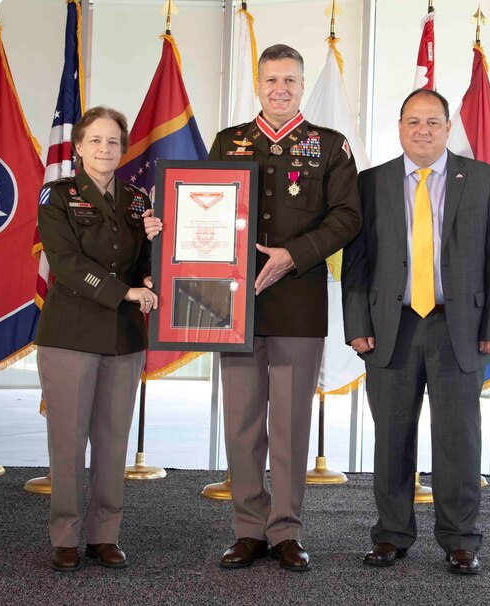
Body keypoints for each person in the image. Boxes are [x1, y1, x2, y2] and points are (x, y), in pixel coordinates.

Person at [342, 89, 490, 575]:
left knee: (458, 438)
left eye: (433, 122)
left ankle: (460, 539)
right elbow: (355, 264)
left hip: (458, 328)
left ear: (447, 127)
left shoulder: (480, 179)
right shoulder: (370, 183)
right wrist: (357, 324)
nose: (423, 131)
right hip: (389, 328)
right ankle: (391, 534)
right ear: (399, 127)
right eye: (413, 122)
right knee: (392, 436)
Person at [208, 44, 361, 572]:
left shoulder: (330, 146)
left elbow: (347, 218)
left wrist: (293, 256)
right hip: (236, 305)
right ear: (257, 82)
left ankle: (286, 531)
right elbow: (200, 211)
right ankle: (248, 530)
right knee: (243, 423)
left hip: (298, 303)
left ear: (301, 86)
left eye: (291, 80)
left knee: (293, 424)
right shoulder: (228, 144)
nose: (280, 88)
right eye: (271, 79)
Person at [35, 106, 160, 572]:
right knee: (68, 441)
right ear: (79, 147)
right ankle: (65, 536)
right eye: (95, 141)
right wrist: (123, 291)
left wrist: (152, 265)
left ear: (123, 148)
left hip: (124, 336)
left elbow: (146, 260)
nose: (105, 149)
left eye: (113, 142)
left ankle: (104, 535)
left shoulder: (136, 201)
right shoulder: (57, 195)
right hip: (70, 332)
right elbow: (65, 263)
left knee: (112, 442)